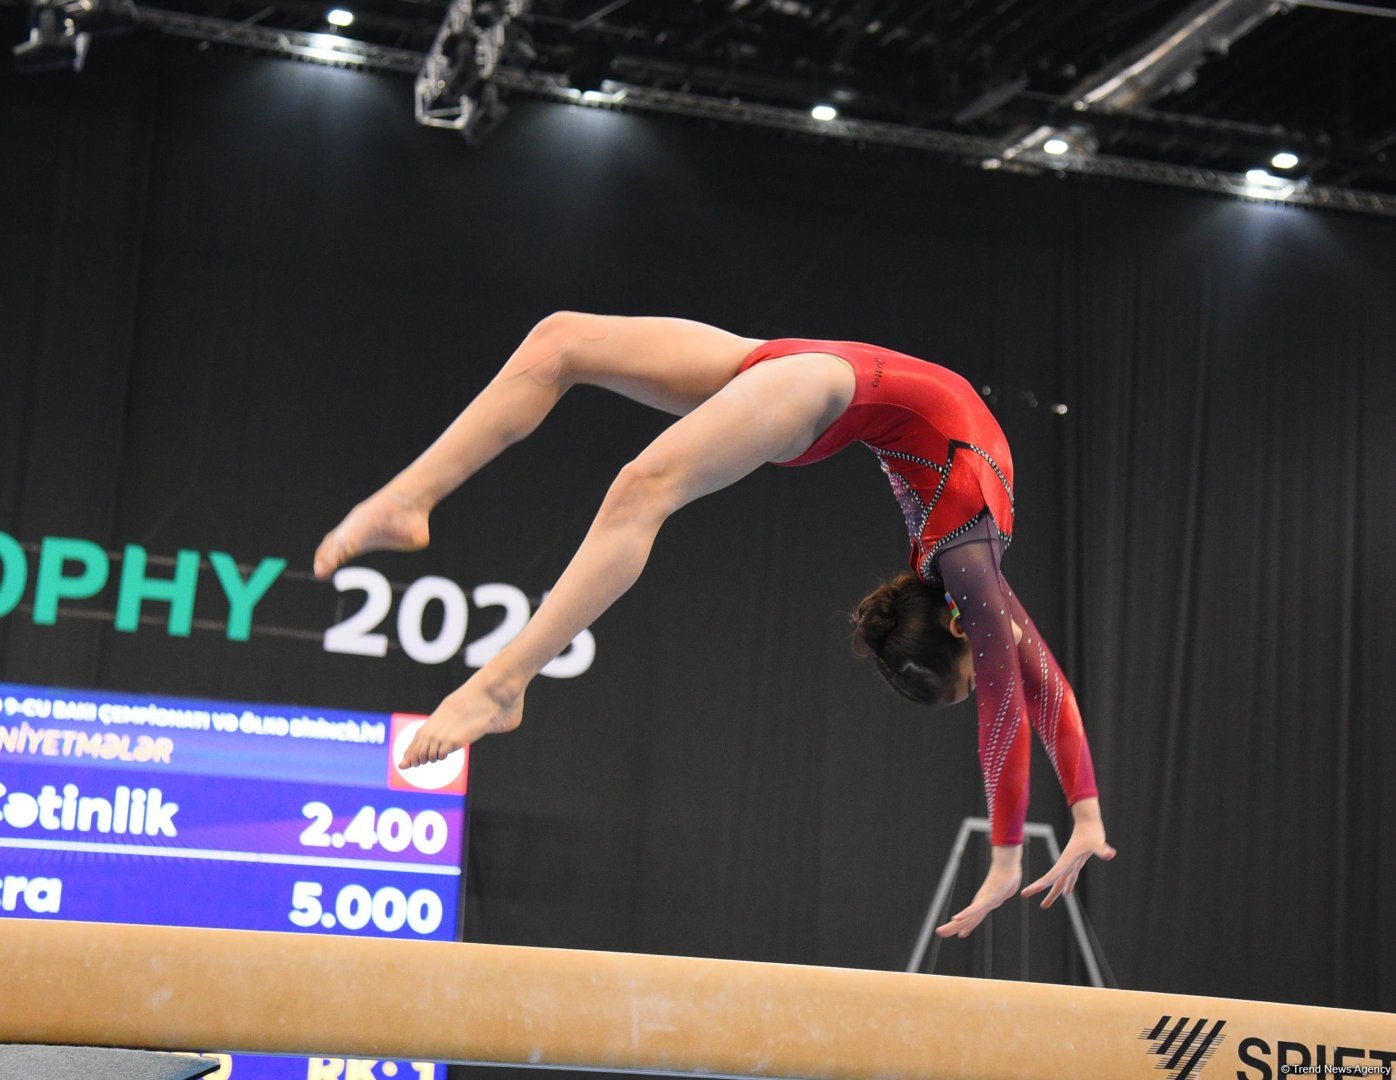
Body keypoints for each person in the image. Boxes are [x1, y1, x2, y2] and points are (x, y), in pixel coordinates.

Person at [314, 312, 1115, 939]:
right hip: (812, 382)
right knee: (564, 352)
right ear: (956, 627)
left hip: (817, 377)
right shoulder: (973, 565)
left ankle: (495, 669)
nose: (995, 655)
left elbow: (1041, 686)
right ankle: (451, 583)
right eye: (971, 668)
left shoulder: (971, 569)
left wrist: (1084, 813)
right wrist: (1013, 852)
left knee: (629, 466)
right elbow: (1011, 705)